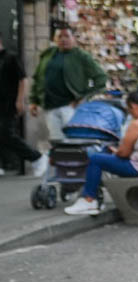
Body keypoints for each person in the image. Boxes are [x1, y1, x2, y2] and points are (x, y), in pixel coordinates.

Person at [63, 91, 138, 215]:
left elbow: (123, 154)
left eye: (129, 110)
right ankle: (92, 194)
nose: (130, 114)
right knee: (105, 156)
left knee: (96, 159)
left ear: (134, 106)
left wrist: (117, 152)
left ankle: (89, 200)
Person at [30, 25, 108, 143]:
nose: (63, 39)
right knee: (56, 141)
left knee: (75, 141)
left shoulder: (81, 56)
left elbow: (101, 78)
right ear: (54, 39)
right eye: (60, 36)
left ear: (73, 38)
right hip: (49, 106)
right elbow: (37, 78)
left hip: (70, 106)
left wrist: (84, 97)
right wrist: (34, 101)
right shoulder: (48, 54)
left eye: (67, 36)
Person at [0, 36, 48, 176]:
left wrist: (20, 100)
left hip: (9, 103)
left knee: (7, 133)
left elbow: (23, 80)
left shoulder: (11, 57)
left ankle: (37, 158)